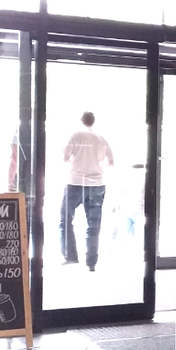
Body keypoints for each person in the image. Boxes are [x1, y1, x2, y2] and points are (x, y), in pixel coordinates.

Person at [61, 111, 114, 272]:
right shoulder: (101, 139)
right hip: (97, 184)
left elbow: (65, 158)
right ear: (93, 121)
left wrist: (76, 162)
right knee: (93, 224)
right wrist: (97, 165)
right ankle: (91, 262)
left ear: (81, 121)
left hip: (75, 182)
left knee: (65, 220)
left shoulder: (75, 136)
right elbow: (111, 162)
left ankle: (71, 255)